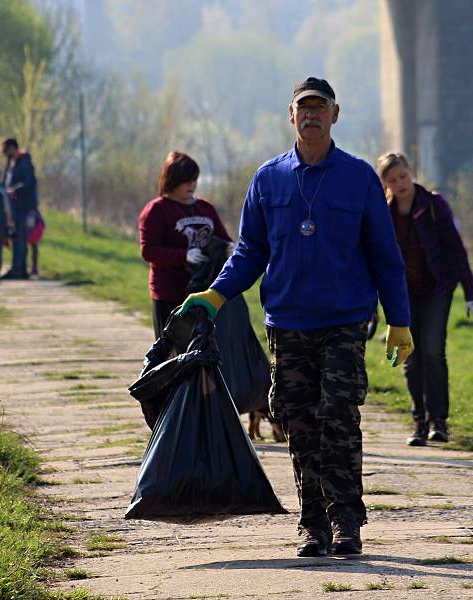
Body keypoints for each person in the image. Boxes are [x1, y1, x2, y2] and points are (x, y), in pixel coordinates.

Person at [179, 77, 413, 557]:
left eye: (319, 108)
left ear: (334, 114)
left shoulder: (359, 177)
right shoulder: (269, 179)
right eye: (302, 108)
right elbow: (249, 251)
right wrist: (216, 295)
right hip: (288, 322)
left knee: (340, 416)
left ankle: (347, 521)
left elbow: (385, 255)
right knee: (300, 421)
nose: (311, 115)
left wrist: (400, 319)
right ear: (291, 116)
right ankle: (313, 525)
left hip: (345, 320)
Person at [376, 152, 473, 446]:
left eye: (403, 176)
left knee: (433, 351)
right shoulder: (384, 214)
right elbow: (377, 258)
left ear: (411, 172)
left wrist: (472, 294)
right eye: (392, 180)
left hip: (438, 288)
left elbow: (456, 250)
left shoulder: (434, 205)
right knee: (409, 355)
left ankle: (439, 421)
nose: (400, 183)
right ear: (385, 184)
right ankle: (418, 422)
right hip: (404, 293)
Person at [138, 151, 232, 338]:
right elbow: (149, 251)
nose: (192, 184)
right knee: (170, 354)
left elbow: (223, 238)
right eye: (185, 180)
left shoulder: (206, 208)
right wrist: (183, 256)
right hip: (170, 294)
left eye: (194, 179)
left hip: (203, 293)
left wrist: (230, 248)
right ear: (171, 181)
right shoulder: (156, 210)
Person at [1, 137, 37, 279]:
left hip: (23, 207)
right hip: (12, 207)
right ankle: (16, 267)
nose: (4, 153)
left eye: (5, 150)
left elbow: (30, 182)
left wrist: (14, 190)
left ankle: (20, 269)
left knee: (21, 238)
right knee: (15, 238)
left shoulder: (25, 163)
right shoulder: (10, 163)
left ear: (12, 148)